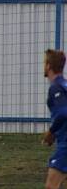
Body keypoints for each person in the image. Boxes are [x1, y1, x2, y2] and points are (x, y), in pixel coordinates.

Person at [43, 49, 67, 189]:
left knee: (51, 186)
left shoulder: (56, 87)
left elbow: (63, 113)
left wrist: (51, 132)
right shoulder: (65, 85)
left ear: (48, 66)